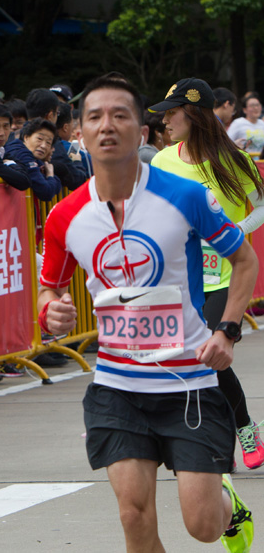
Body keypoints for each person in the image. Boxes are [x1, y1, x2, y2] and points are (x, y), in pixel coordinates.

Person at [40, 73, 256, 552]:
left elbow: (245, 259)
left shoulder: (184, 198)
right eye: (95, 116)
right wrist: (50, 312)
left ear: (142, 131)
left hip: (188, 383)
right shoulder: (65, 217)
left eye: (121, 115)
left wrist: (227, 331)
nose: (107, 125)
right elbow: (48, 289)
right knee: (133, 515)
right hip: (118, 386)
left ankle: (228, 505)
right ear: (80, 133)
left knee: (202, 526)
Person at [149, 77, 264, 470]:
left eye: (172, 113)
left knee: (211, 352)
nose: (165, 122)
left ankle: (243, 428)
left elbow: (260, 207)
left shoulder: (235, 160)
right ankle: (217, 434)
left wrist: (232, 234)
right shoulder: (162, 160)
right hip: (180, 277)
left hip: (225, 276)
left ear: (195, 114)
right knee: (190, 361)